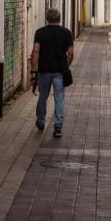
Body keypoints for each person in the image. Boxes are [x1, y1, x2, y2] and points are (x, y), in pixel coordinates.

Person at [31, 8, 73, 138]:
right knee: (59, 98)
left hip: (44, 71)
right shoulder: (66, 33)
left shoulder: (40, 32)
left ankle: (40, 121)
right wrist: (65, 66)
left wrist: (33, 70)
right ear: (59, 19)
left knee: (42, 96)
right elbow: (70, 53)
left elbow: (36, 51)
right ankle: (58, 126)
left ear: (47, 18)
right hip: (59, 72)